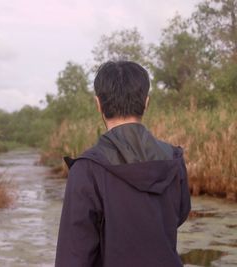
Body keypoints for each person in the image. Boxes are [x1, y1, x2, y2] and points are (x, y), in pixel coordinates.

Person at [55, 61, 191, 267]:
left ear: (98, 103)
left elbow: (74, 253)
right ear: (146, 102)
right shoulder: (174, 159)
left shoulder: (87, 169)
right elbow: (178, 215)